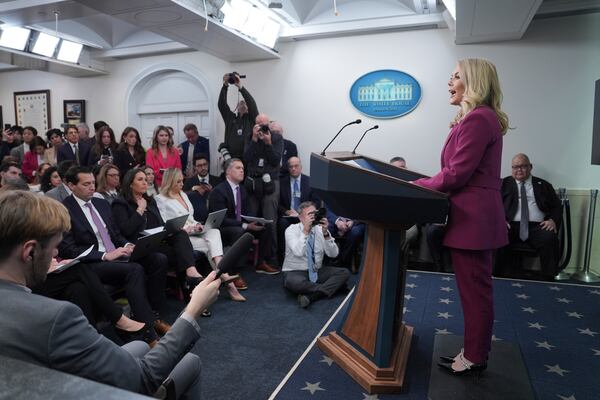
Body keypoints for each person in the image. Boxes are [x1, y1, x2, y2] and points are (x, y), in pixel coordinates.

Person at [0, 190, 220, 399]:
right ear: (30, 252)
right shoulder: (56, 318)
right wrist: (192, 311)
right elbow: (143, 378)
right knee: (190, 362)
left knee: (141, 346)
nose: (56, 254)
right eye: (54, 248)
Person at [412, 58, 509, 375]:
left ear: (473, 82)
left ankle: (475, 357)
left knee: (475, 292)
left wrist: (414, 186)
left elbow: (455, 175)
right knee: (474, 291)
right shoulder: (479, 118)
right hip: (472, 217)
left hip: (474, 220)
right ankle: (474, 350)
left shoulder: (479, 119)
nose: (449, 82)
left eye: (455, 76)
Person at [58, 166, 171, 337]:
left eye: (93, 183)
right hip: (94, 262)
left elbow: (116, 234)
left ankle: (153, 314)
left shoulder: (101, 203)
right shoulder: (64, 209)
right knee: (135, 269)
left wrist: (126, 246)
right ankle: (148, 329)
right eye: (86, 184)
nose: (92, 188)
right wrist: (104, 255)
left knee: (158, 259)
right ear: (71, 186)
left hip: (116, 254)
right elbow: (68, 249)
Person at [114, 168, 244, 302]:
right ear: (130, 183)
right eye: (140, 180)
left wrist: (188, 227)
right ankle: (205, 288)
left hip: (159, 240)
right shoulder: (122, 203)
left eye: (146, 180)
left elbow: (162, 224)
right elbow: (126, 230)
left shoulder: (150, 201)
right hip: (141, 245)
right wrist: (140, 210)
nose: (145, 183)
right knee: (188, 249)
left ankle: (193, 277)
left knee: (190, 239)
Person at [209, 158, 278, 290]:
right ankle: (234, 272)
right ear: (228, 172)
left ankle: (260, 263)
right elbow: (220, 220)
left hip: (239, 224)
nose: (242, 171)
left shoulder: (242, 189)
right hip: (223, 229)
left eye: (243, 168)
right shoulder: (218, 191)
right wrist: (246, 225)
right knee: (239, 232)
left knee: (266, 226)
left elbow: (245, 213)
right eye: (238, 168)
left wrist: (253, 220)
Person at [496, 153, 561, 280]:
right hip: (510, 225)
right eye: (515, 167)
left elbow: (557, 207)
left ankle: (549, 277)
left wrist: (553, 220)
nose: (519, 170)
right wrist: (500, 221)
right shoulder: (503, 184)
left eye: (523, 166)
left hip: (538, 226)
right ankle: (497, 275)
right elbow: (492, 205)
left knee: (549, 238)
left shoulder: (543, 185)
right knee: (499, 233)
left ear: (530, 167)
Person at [282, 202, 350, 308]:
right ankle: (333, 288)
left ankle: (313, 296)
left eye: (315, 213)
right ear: (300, 217)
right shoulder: (291, 230)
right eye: (310, 214)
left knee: (344, 272)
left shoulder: (321, 230)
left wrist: (326, 234)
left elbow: (333, 254)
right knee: (293, 282)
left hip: (316, 271)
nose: (314, 216)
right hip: (295, 271)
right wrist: (306, 231)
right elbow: (298, 252)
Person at [244, 114, 284, 269]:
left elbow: (275, 160)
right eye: (258, 124)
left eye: (264, 124)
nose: (262, 127)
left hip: (270, 183)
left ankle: (271, 258)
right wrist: (254, 140)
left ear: (269, 123)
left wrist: (268, 143)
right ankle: (249, 256)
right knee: (251, 220)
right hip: (253, 183)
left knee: (270, 221)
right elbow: (246, 158)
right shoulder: (250, 137)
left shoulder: (276, 138)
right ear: (255, 125)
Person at [277, 156, 319, 263]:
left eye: (296, 166)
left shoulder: (310, 181)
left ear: (301, 167)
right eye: (291, 167)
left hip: (304, 216)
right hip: (288, 216)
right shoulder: (282, 182)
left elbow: (316, 202)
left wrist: (304, 212)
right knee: (282, 223)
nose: (293, 169)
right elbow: (277, 203)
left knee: (312, 224)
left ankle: (309, 257)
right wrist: (286, 211)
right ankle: (283, 256)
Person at [218, 72, 259, 160]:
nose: (242, 103)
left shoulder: (252, 119)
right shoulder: (230, 118)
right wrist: (225, 85)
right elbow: (221, 104)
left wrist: (240, 87)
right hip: (232, 159)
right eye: (240, 103)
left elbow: (252, 103)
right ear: (236, 107)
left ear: (248, 108)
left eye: (244, 103)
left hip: (249, 159)